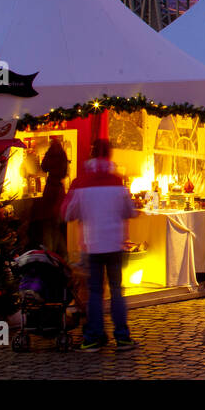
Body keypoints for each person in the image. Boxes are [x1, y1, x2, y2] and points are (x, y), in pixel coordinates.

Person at [62, 138, 138, 350]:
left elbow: (67, 213)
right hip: (114, 244)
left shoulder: (81, 183)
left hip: (91, 245)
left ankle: (94, 337)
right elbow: (130, 211)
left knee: (95, 293)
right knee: (116, 291)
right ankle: (122, 337)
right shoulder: (117, 182)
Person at [35, 137, 69, 257]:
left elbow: (43, 167)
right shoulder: (63, 154)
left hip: (50, 187)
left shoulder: (50, 153)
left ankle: (49, 253)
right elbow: (65, 172)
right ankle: (62, 255)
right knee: (57, 224)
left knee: (48, 223)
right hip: (59, 188)